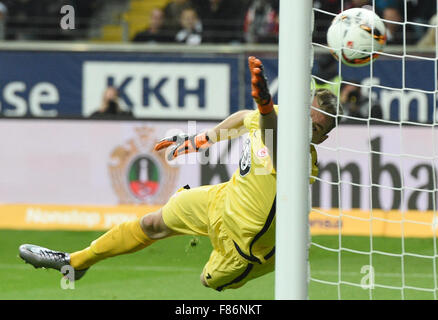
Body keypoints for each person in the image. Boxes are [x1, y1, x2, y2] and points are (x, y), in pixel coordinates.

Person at [18, 57, 342, 291]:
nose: (305, 126)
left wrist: (267, 109)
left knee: (208, 284)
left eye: (315, 127)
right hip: (223, 200)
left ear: (321, 137)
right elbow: (246, 118)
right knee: (152, 223)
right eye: (305, 117)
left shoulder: (300, 158)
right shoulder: (281, 117)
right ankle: (74, 263)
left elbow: (271, 137)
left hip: (247, 247)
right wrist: (201, 139)